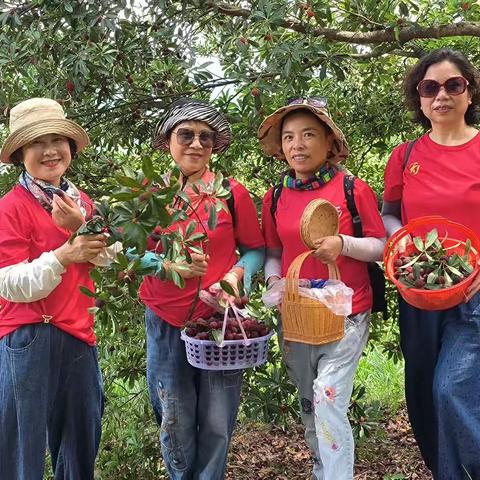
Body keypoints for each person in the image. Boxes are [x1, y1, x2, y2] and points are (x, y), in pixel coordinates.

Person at [259, 97, 386, 480]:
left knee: (328, 396)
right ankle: (322, 469)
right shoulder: (275, 196)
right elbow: (273, 251)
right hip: (297, 317)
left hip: (345, 313)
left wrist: (342, 243)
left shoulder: (352, 188)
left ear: (329, 142)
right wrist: (273, 282)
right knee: (310, 404)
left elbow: (380, 246)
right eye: (289, 137)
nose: (297, 145)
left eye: (309, 135)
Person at [139, 98, 265, 479]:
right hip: (164, 318)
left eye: (205, 137)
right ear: (167, 141)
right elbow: (128, 251)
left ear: (215, 146)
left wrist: (234, 277)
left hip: (219, 323)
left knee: (216, 418)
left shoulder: (231, 192)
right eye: (186, 134)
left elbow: (256, 250)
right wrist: (166, 265)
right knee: (173, 414)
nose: (196, 144)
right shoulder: (150, 191)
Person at [0, 98, 120, 479]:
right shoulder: (10, 208)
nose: (50, 150)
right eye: (37, 142)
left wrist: (81, 225)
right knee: (22, 451)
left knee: (81, 442)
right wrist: (65, 253)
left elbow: (110, 256)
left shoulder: (78, 200)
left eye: (57, 140)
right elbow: (10, 284)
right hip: (27, 336)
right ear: (21, 153)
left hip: (78, 333)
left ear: (70, 148)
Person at [382, 48, 480, 480]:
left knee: (451, 389)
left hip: (475, 292)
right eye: (430, 87)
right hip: (420, 290)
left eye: (452, 84)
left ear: (470, 91)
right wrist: (398, 246)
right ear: (419, 99)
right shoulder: (404, 157)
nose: (441, 95)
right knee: (424, 393)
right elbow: (390, 214)